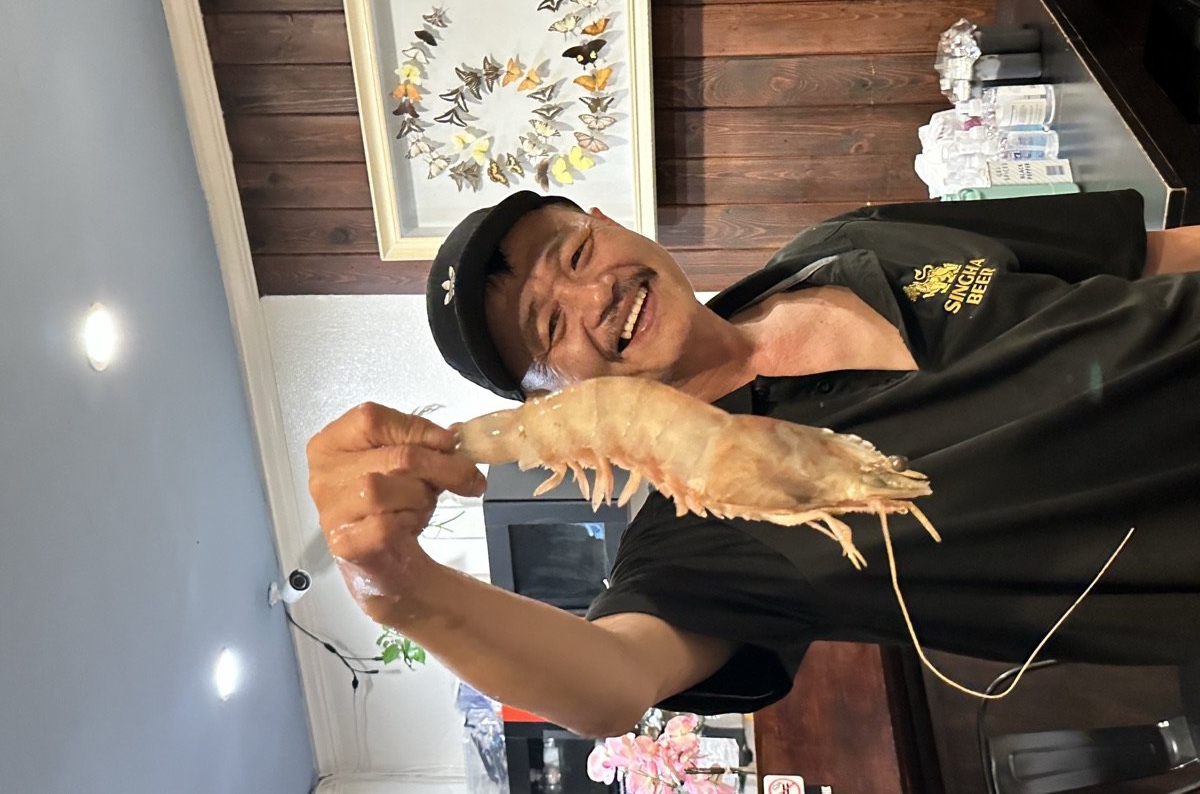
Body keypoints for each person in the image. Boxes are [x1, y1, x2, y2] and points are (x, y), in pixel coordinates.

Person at [306, 188, 1200, 736]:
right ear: (551, 398)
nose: (595, 295)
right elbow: (611, 684)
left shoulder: (844, 240)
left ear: (609, 223)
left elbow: (1148, 255)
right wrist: (405, 592)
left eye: (575, 253)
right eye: (548, 326)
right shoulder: (693, 540)